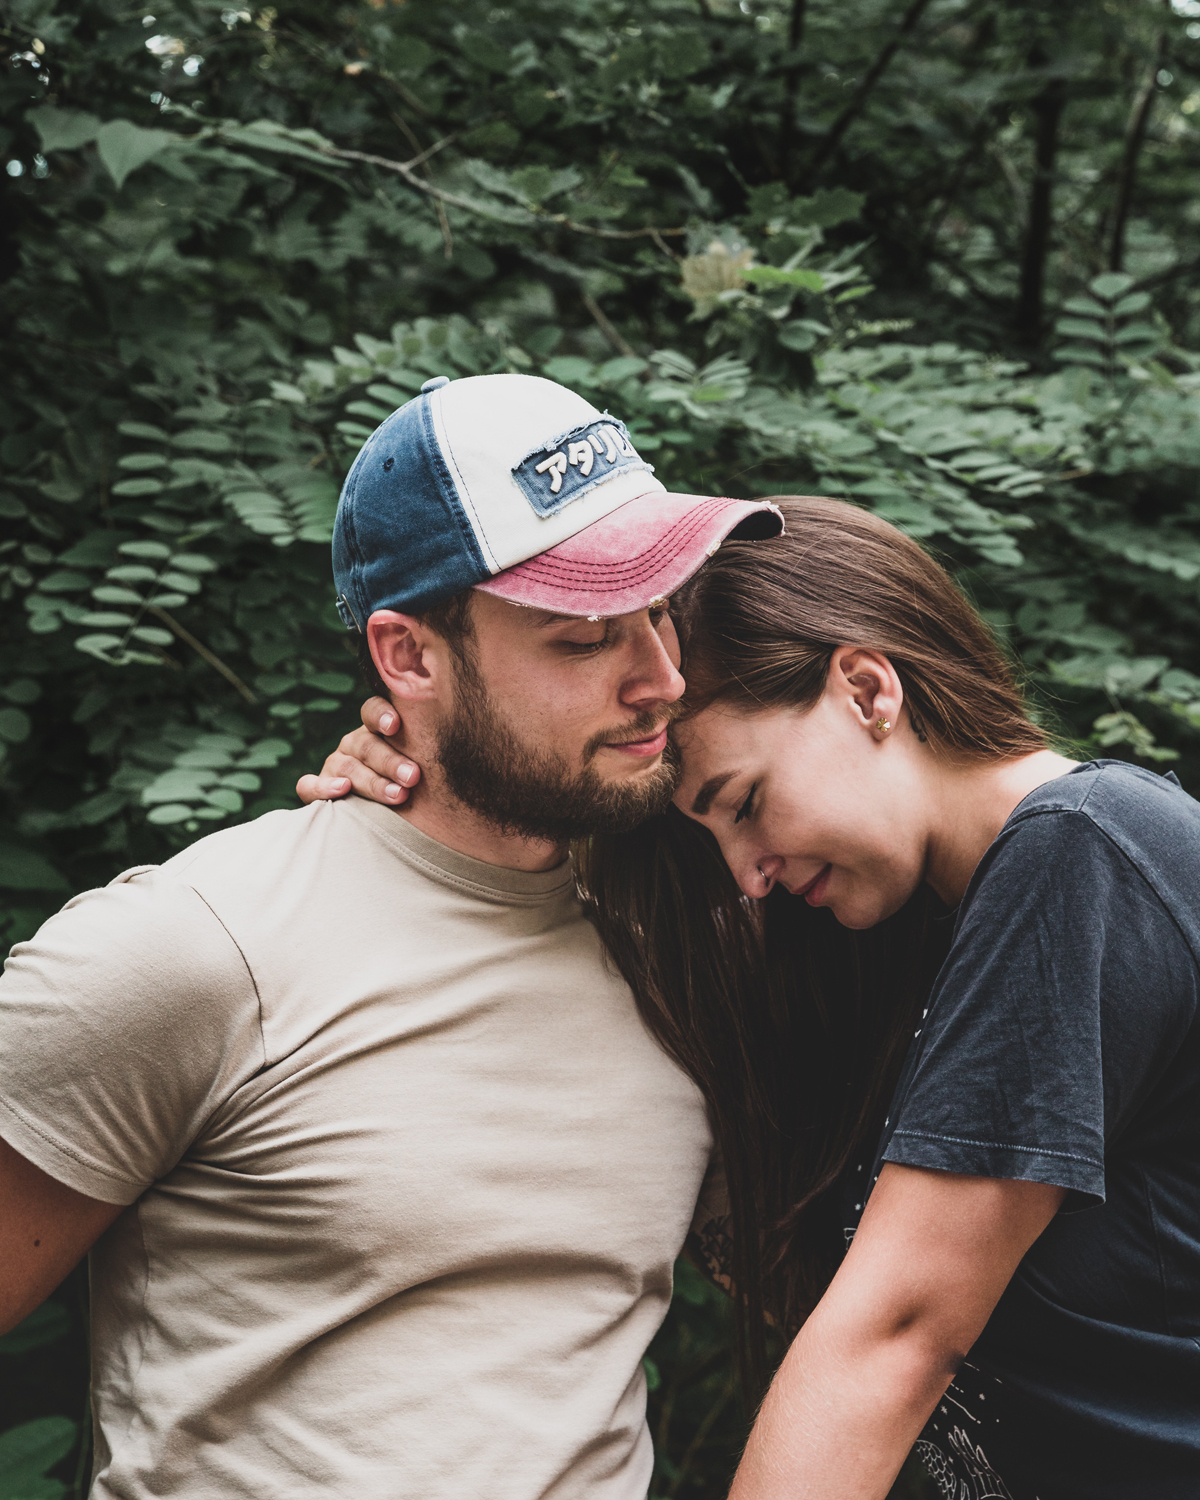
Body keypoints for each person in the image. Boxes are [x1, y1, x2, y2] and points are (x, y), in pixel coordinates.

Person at [312, 495, 1200, 1500]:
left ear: (867, 688)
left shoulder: (1086, 853)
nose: (747, 873)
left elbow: (893, 1338)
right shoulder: (918, 943)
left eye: (744, 804)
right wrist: (444, 795)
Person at [0, 371, 783, 1500]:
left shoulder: (680, 959)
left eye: (662, 611)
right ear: (408, 658)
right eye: (583, 639)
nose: (662, 677)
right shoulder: (197, 949)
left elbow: (857, 1301)